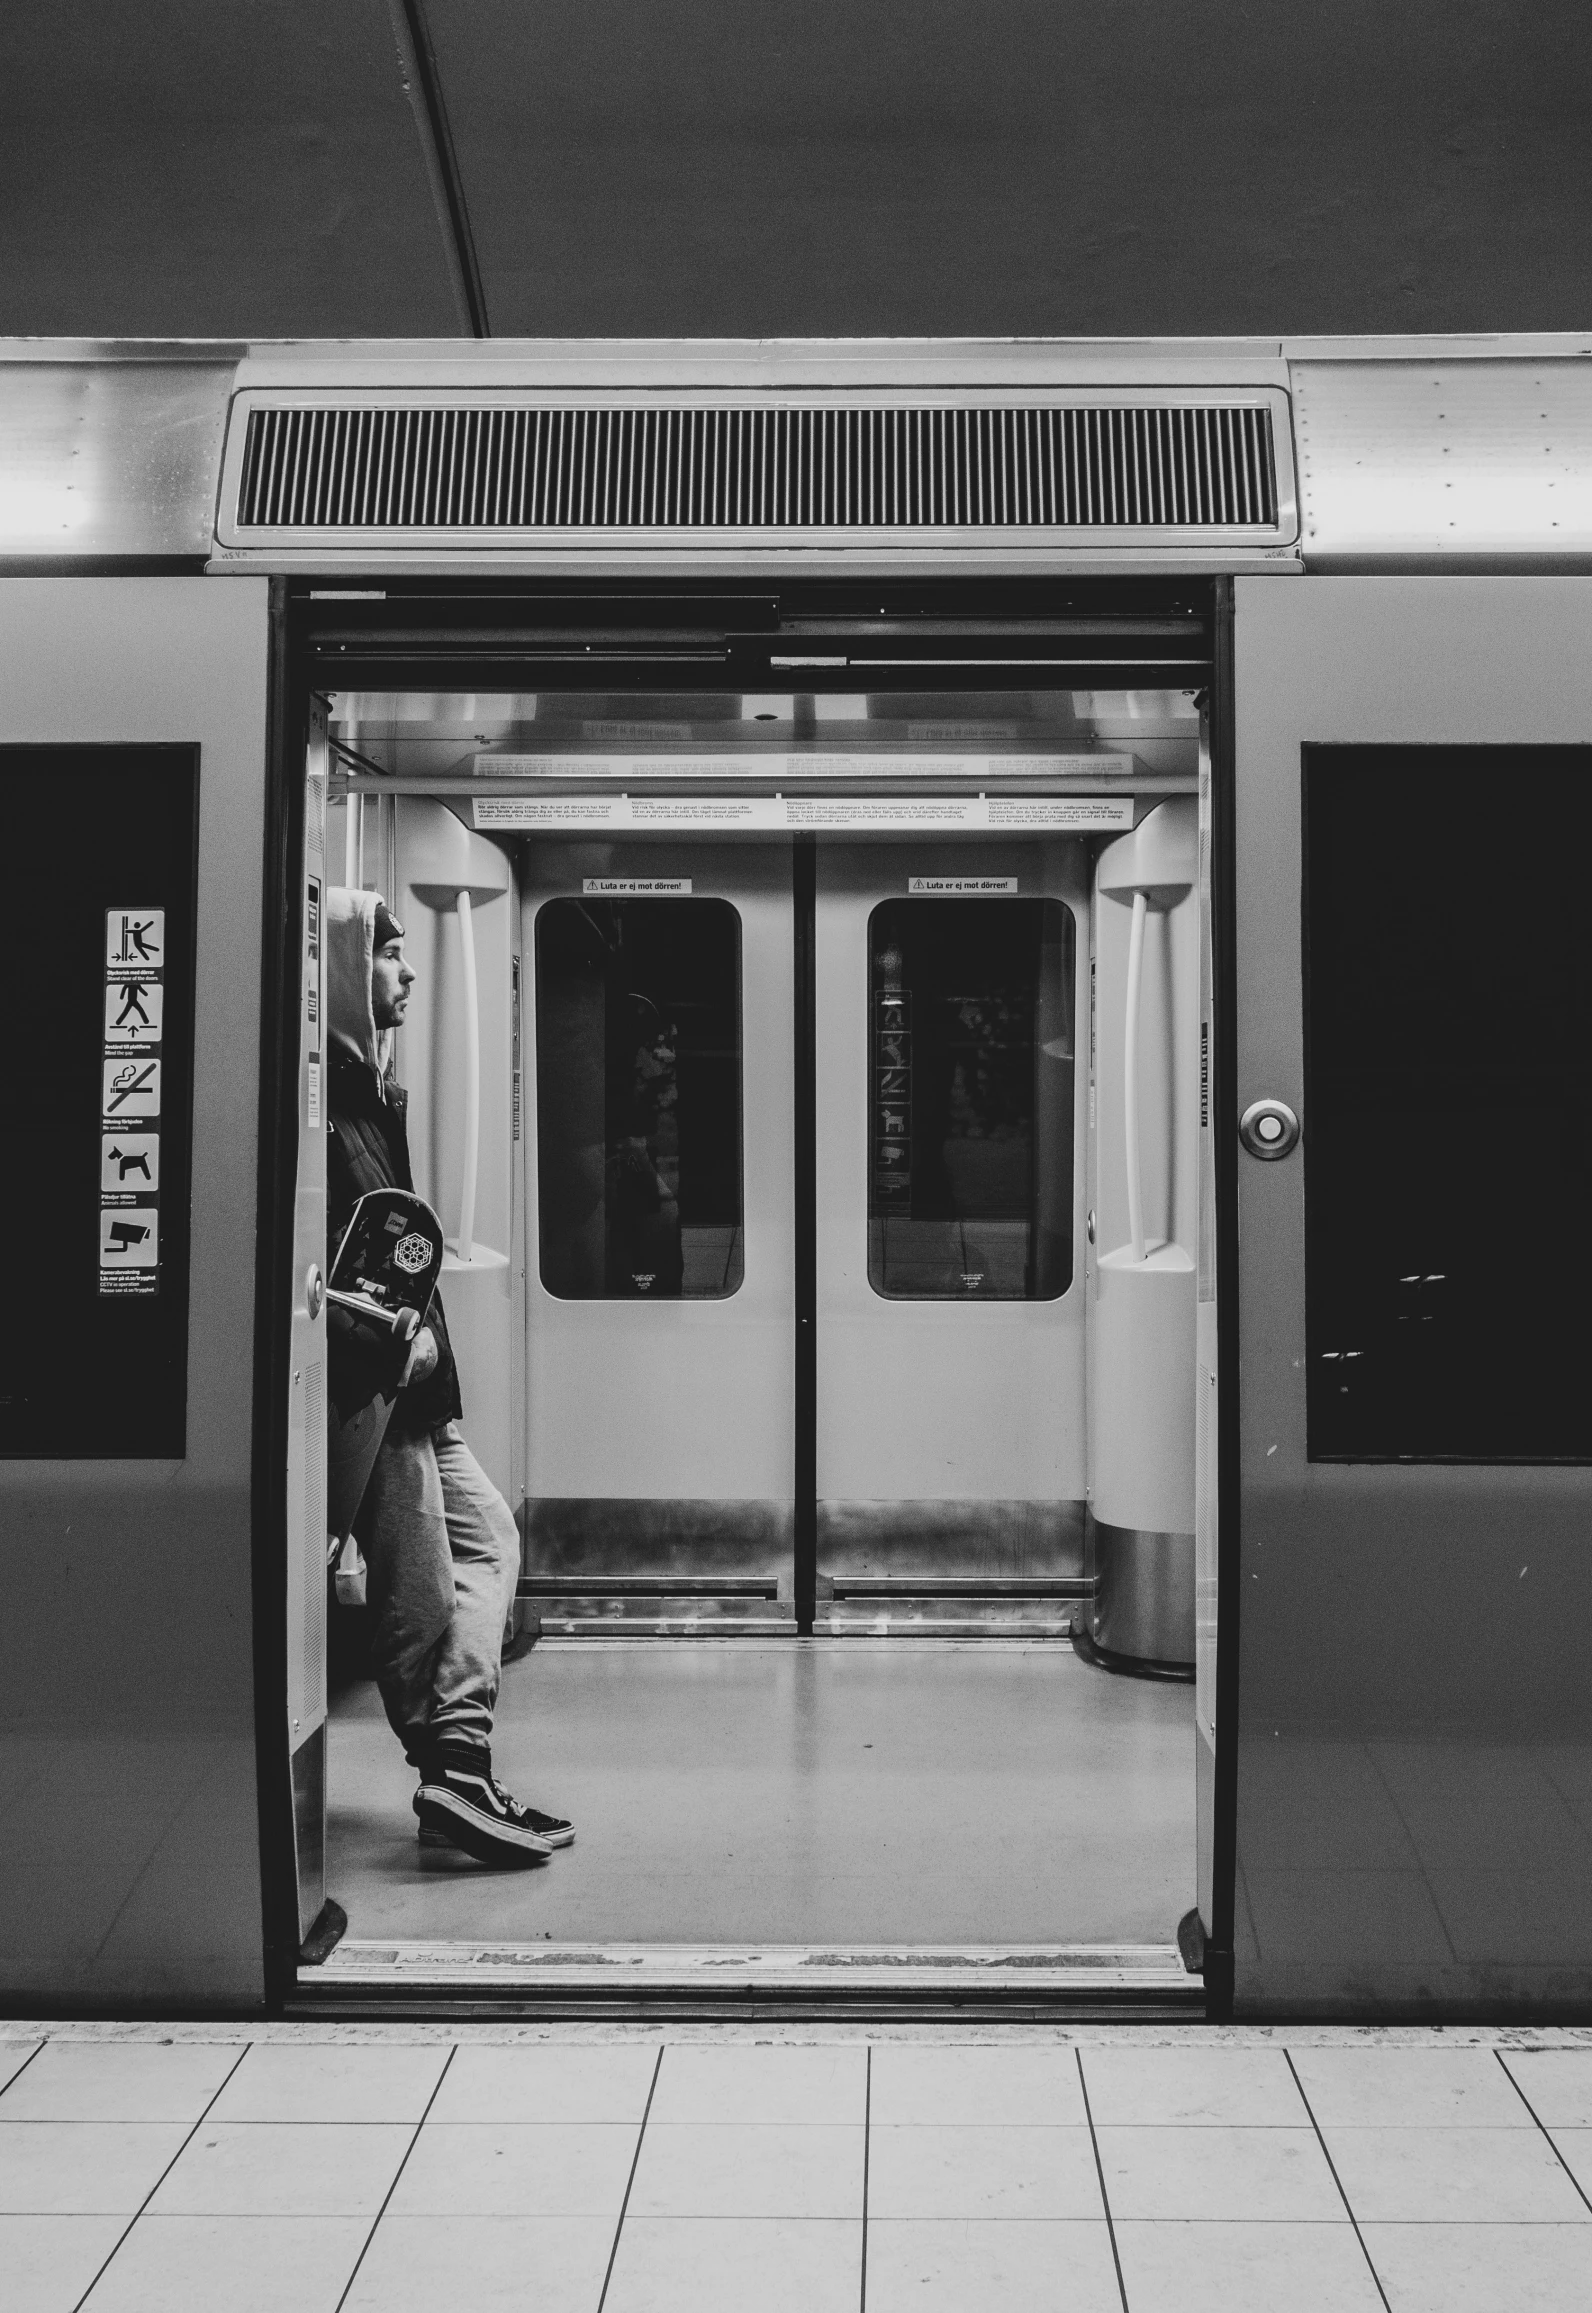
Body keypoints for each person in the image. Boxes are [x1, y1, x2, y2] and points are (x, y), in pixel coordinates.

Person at [324, 887, 572, 1866]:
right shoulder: (325, 1108)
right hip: (378, 1398)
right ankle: (452, 1776)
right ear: (345, 969)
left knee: (487, 1546)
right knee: (419, 1591)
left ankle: (458, 1765)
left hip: (421, 1388)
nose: (408, 969)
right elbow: (319, 1269)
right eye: (386, 953)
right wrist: (384, 1338)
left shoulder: (370, 1092)